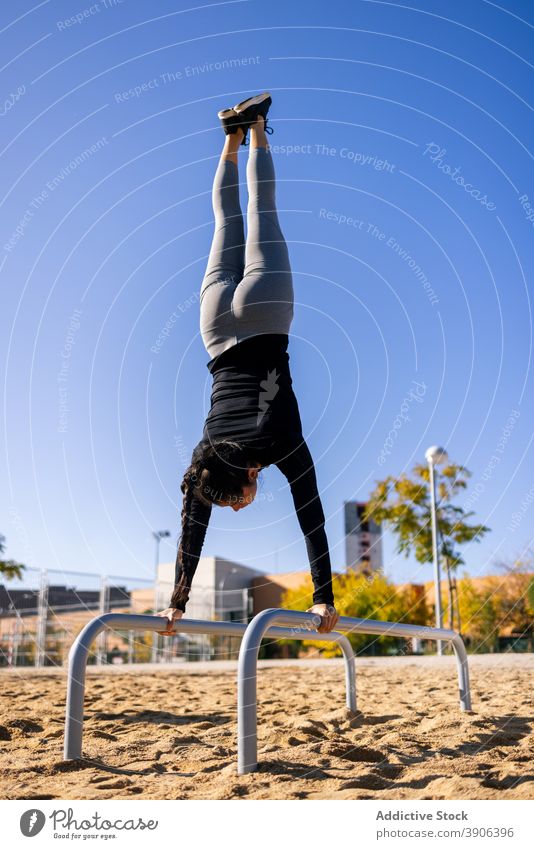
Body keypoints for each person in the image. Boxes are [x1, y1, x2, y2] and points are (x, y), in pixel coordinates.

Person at [156, 92, 339, 637]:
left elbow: (313, 515)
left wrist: (322, 598)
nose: (237, 511)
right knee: (224, 221)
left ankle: (257, 124)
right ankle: (232, 136)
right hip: (214, 329)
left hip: (264, 313)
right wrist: (176, 605)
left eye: (235, 506)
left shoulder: (279, 441)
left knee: (261, 209)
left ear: (246, 480)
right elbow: (193, 524)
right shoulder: (206, 451)